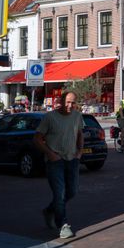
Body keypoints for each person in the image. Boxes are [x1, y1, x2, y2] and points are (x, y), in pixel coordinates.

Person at [34, 91, 84, 239]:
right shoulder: (50, 117)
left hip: (72, 159)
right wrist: (50, 154)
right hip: (55, 161)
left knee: (72, 191)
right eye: (67, 102)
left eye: (73, 103)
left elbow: (80, 134)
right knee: (60, 193)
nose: (70, 105)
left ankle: (50, 210)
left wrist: (79, 152)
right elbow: (37, 139)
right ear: (61, 101)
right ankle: (63, 225)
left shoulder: (77, 116)